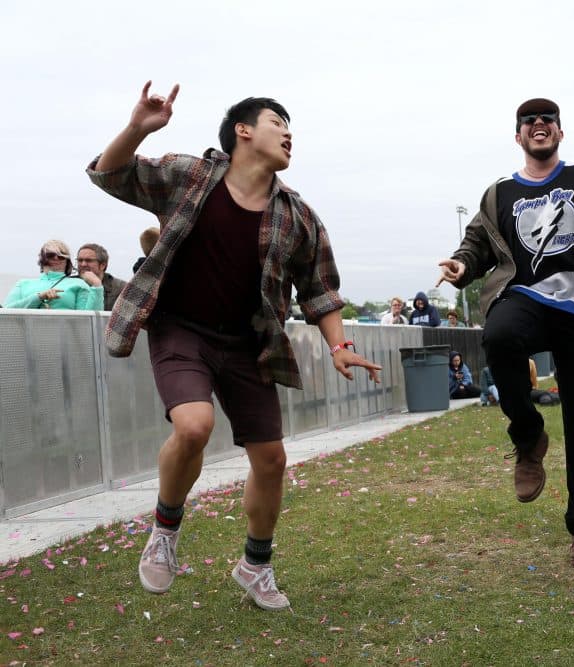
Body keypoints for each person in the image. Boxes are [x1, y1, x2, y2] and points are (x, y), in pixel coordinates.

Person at [86, 82, 381, 610]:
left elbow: (320, 289)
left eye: (292, 128)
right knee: (194, 425)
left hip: (249, 343)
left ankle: (255, 565)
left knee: (271, 461)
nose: (289, 134)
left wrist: (340, 346)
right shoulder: (189, 176)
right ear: (243, 131)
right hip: (181, 330)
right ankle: (165, 530)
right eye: (278, 123)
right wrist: (137, 128)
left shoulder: (297, 215)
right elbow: (110, 174)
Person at [437, 97, 574, 567]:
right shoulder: (499, 193)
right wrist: (461, 264)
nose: (539, 124)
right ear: (519, 136)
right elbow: (478, 243)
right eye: (529, 121)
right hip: (526, 296)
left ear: (560, 133)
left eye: (548, 119)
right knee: (499, 337)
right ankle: (528, 436)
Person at [5, 240, 104, 310]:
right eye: (50, 255)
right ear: (42, 259)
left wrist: (97, 285)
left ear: (67, 260)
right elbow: (5, 312)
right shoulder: (23, 284)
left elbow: (89, 320)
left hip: (65, 338)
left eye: (61, 256)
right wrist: (39, 297)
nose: (56, 258)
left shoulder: (78, 284)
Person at [76, 243, 127, 311]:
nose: (83, 264)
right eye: (80, 260)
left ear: (102, 265)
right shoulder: (70, 283)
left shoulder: (121, 288)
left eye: (89, 260)